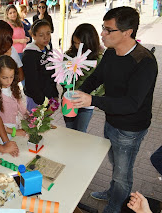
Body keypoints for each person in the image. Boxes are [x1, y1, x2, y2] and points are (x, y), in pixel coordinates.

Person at [71, 7, 158, 213]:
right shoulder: (111, 52)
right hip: (112, 121)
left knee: (122, 174)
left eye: (109, 30)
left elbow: (131, 103)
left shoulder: (144, 62)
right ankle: (113, 193)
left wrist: (92, 99)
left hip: (130, 129)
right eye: (103, 28)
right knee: (114, 162)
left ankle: (114, 207)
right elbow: (96, 77)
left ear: (127, 33)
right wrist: (79, 92)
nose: (102, 33)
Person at [63, 23, 104, 133]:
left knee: (81, 132)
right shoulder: (69, 55)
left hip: (86, 103)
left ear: (89, 42)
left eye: (79, 44)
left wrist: (91, 97)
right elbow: (62, 78)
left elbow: (100, 85)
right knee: (70, 130)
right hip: (69, 100)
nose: (77, 46)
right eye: (75, 43)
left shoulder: (99, 59)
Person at [22, 19, 59, 112]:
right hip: (36, 100)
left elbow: (52, 73)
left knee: (46, 125)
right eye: (41, 35)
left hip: (48, 99)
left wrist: (55, 95)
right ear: (33, 36)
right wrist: (44, 103)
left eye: (48, 33)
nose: (46, 38)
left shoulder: (48, 49)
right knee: (35, 125)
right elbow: (31, 84)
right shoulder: (29, 55)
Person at [0, 55, 27, 139]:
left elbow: (22, 108)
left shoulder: (14, 88)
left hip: (16, 129)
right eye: (4, 78)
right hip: (3, 134)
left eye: (11, 77)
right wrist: (14, 131)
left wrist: (32, 117)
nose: (9, 81)